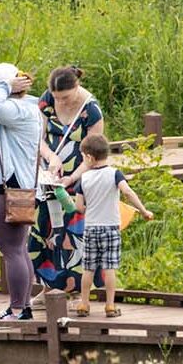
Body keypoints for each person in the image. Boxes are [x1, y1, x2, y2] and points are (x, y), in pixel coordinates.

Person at [28, 66, 105, 309]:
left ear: (77, 88)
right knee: (44, 231)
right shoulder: (46, 101)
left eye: (66, 97)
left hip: (78, 179)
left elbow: (94, 153)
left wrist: (72, 178)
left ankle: (76, 292)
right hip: (48, 175)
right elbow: (36, 137)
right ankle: (47, 288)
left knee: (74, 235)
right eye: (57, 96)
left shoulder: (90, 111)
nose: (60, 101)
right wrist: (51, 156)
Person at [0, 63, 41, 320]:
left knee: (12, 250)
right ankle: (22, 306)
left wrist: (5, 86)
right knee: (19, 248)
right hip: (18, 186)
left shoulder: (17, 109)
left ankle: (17, 309)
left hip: (8, 188)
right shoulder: (28, 108)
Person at [73, 134, 154, 317]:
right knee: (109, 268)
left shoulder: (83, 179)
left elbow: (79, 207)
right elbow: (127, 192)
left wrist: (88, 208)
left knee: (88, 268)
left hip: (91, 228)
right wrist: (143, 211)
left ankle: (84, 304)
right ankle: (110, 305)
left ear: (90, 158)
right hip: (110, 227)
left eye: (83, 156)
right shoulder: (114, 174)